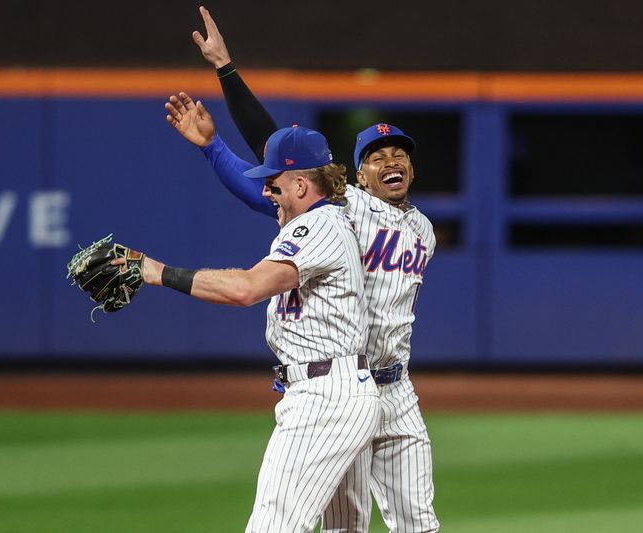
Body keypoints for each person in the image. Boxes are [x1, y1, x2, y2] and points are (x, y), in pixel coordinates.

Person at [163, 7, 441, 532]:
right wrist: (225, 70)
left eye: (398, 153)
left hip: (395, 386)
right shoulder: (346, 208)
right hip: (350, 379)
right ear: (355, 174)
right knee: (343, 524)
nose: (390, 161)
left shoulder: (424, 230)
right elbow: (272, 162)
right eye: (377, 155)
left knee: (419, 524)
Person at [121, 125, 382, 532]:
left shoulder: (317, 227)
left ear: (300, 185)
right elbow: (249, 192)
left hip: (326, 400)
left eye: (272, 183)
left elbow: (246, 289)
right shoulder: (332, 219)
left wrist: (156, 272)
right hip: (344, 390)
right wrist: (213, 146)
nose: (265, 192)